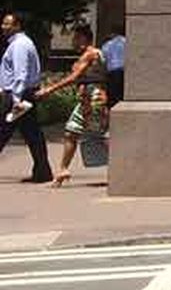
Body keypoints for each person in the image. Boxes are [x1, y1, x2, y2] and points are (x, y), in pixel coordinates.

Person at [35, 24, 110, 187]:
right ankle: (63, 170)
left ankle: (125, 165)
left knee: (99, 136)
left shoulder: (90, 54)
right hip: (87, 100)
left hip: (93, 100)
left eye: (75, 38)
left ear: (84, 38)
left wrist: (50, 89)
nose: (73, 42)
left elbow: (74, 77)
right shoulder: (92, 54)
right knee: (71, 131)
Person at [0, 13, 53, 184]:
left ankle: (43, 171)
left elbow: (20, 73)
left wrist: (15, 100)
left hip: (18, 96)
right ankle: (42, 171)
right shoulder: (21, 43)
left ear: (18, 26)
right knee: (32, 134)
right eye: (3, 23)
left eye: (7, 24)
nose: (3, 27)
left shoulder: (19, 46)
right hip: (24, 94)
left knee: (3, 130)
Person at [100, 27, 127, 107]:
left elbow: (103, 59)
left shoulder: (107, 44)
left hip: (111, 73)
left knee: (112, 99)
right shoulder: (126, 41)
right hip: (124, 72)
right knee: (121, 96)